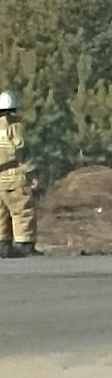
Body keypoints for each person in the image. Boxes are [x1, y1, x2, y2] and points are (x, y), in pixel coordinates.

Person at [0, 90, 38, 258]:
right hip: (15, 177)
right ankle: (24, 244)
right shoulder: (15, 126)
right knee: (22, 211)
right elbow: (20, 151)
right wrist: (31, 172)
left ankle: (3, 245)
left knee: (1, 214)